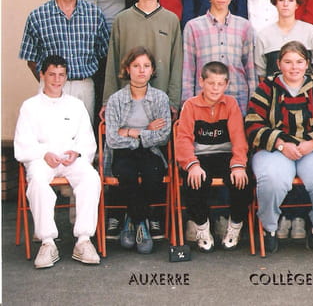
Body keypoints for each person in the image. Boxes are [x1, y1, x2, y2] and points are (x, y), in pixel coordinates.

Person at [246, 41, 313, 253]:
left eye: (299, 62)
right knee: (272, 180)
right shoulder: (267, 88)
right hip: (275, 149)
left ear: (307, 64)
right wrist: (281, 144)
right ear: (279, 64)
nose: (294, 67)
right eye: (288, 62)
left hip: (312, 148)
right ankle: (269, 228)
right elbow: (253, 124)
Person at [14, 55, 101, 268]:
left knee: (91, 178)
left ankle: (83, 240)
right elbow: (23, 142)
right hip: (41, 159)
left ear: (66, 76)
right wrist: (44, 153)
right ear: (42, 75)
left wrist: (77, 152)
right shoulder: (30, 106)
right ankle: (47, 242)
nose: (56, 80)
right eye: (52, 74)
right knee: (38, 183)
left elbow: (87, 140)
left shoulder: (76, 105)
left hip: (70, 159)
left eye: (61, 75)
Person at [20, 0, 109, 122]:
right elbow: (31, 60)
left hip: (84, 86)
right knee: (50, 131)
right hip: (51, 85)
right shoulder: (38, 16)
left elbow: (104, 54)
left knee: (82, 132)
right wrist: (49, 81)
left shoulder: (94, 15)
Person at [175, 61, 250, 252]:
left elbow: (239, 137)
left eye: (220, 84)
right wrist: (192, 164)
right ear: (201, 82)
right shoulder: (190, 105)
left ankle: (235, 225)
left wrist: (238, 165)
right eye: (211, 83)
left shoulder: (231, 104)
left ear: (226, 84)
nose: (215, 88)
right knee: (195, 180)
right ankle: (201, 226)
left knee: (243, 180)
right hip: (200, 156)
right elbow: (183, 139)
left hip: (225, 155)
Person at [104, 47, 171, 254]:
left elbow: (164, 136)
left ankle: (131, 220)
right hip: (123, 153)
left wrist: (130, 132)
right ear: (127, 69)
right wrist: (145, 132)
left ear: (152, 70)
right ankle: (141, 223)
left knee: (153, 172)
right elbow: (112, 138)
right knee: (126, 172)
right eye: (136, 66)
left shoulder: (160, 98)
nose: (141, 70)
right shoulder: (115, 100)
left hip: (151, 151)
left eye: (146, 66)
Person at [104, 0, 183, 113]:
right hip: (126, 101)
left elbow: (176, 63)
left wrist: (173, 101)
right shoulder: (122, 19)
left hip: (161, 101)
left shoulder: (171, 20)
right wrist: (108, 100)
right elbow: (112, 62)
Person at [182, 0, 255, 110]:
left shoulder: (244, 26)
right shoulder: (193, 27)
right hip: (203, 100)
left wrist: (253, 104)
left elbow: (250, 67)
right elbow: (188, 69)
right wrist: (187, 104)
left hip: (238, 98)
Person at [254, 0, 313, 80]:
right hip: (274, 88)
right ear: (275, 3)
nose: (285, 4)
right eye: (281, 0)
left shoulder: (311, 32)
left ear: (297, 4)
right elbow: (261, 73)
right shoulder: (264, 35)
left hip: (305, 88)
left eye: (291, 0)